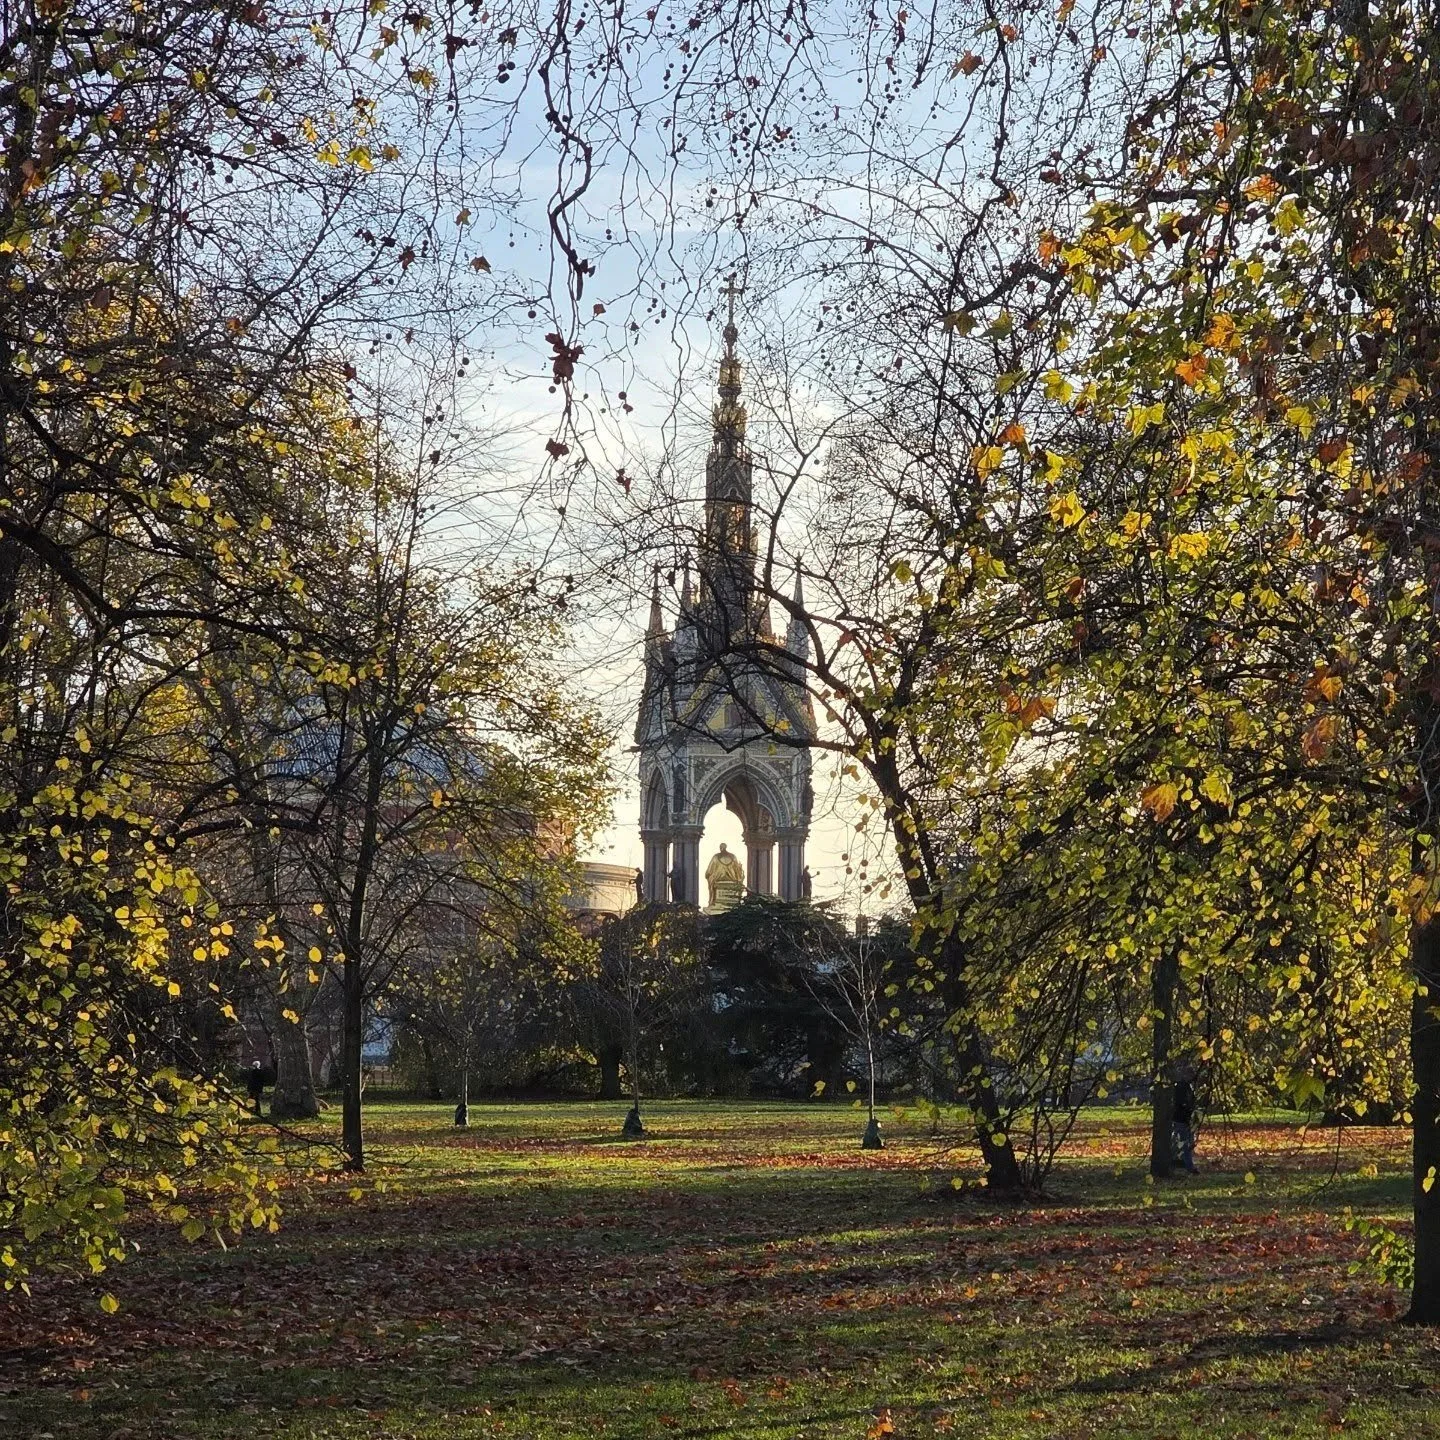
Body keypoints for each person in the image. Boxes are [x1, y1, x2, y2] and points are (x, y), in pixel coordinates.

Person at [1172, 1074, 1199, 1173]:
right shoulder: (1182, 1088)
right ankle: (1188, 1166)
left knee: (1186, 1143)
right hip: (1182, 1119)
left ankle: (1184, 1163)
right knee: (1185, 1143)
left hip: (1184, 1119)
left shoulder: (1184, 1087)